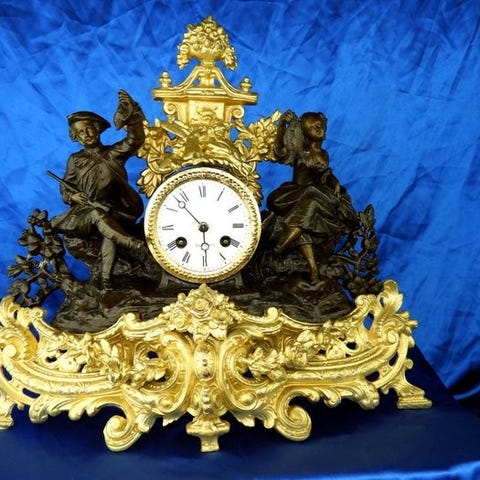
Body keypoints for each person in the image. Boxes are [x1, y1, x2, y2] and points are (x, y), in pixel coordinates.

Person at [51, 90, 145, 288]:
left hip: (115, 211)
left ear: (97, 130)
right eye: (80, 132)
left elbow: (134, 139)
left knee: (109, 233)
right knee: (96, 214)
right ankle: (132, 244)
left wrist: (131, 115)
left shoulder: (113, 153)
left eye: (89, 129)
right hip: (84, 213)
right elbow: (65, 187)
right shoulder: (75, 160)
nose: (86, 134)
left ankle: (106, 279)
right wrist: (73, 197)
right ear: (75, 137)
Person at [266, 110, 358, 283]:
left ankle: (312, 269)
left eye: (320, 125)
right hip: (295, 194)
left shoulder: (324, 154)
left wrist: (334, 182)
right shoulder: (300, 151)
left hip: (315, 194)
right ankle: (280, 248)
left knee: (308, 218)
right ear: (304, 131)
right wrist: (282, 125)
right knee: (310, 203)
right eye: (313, 127)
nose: (319, 128)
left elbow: (325, 174)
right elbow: (280, 150)